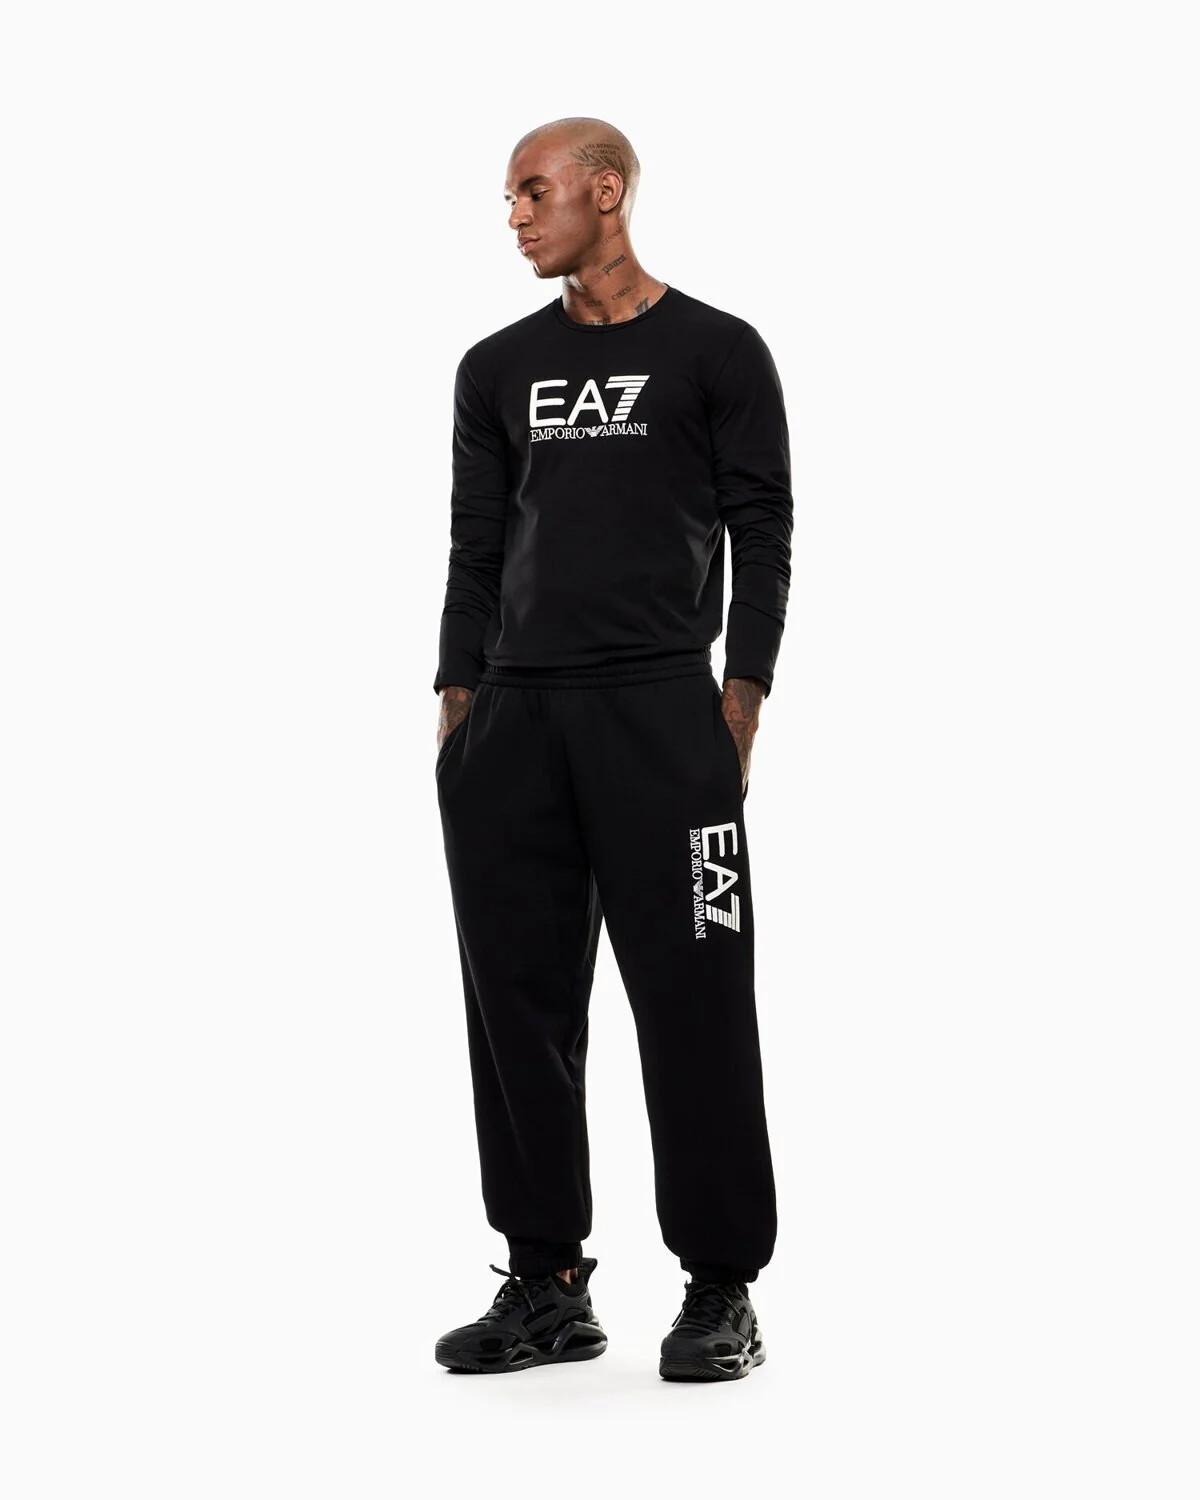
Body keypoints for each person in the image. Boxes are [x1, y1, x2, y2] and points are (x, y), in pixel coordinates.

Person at [431, 117, 792, 1382]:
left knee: (697, 1007)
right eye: (509, 197)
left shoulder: (717, 351)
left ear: (608, 188)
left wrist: (739, 703)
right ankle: (546, 1284)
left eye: (534, 192)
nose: (516, 217)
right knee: (517, 1013)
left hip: (660, 718)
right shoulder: (495, 368)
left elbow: (764, 529)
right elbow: (476, 548)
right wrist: (458, 708)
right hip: (514, 725)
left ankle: (721, 1287)